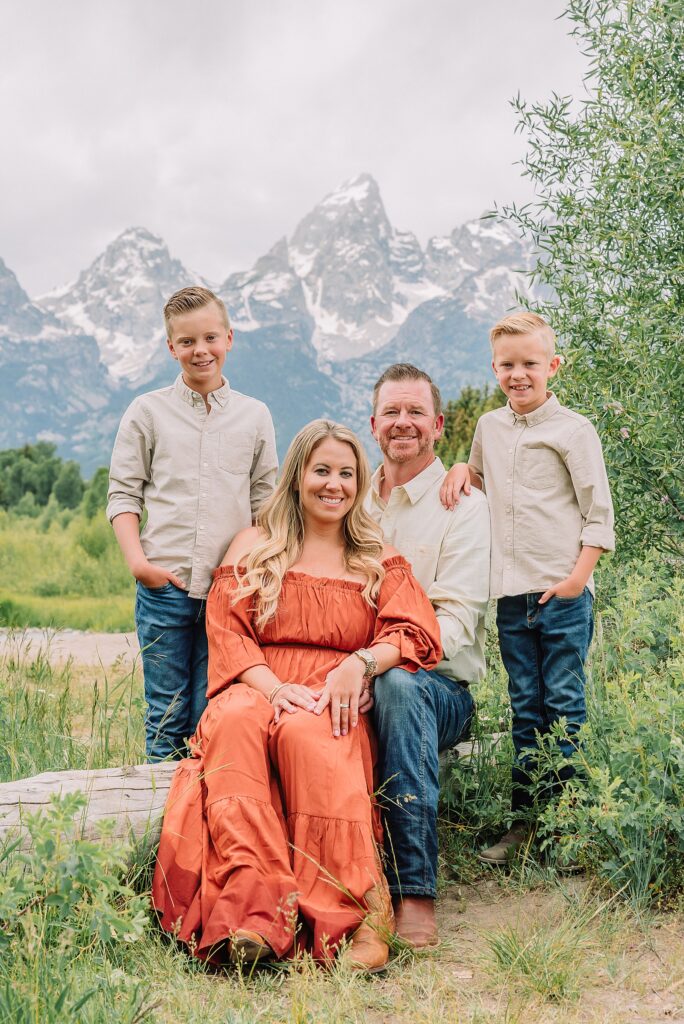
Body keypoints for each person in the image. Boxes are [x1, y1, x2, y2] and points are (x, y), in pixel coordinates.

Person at [151, 420, 443, 970]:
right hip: (258, 680)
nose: (334, 484)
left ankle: (355, 912)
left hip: (331, 692)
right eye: (321, 470)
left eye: (346, 474)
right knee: (236, 722)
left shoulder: (374, 554)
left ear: (359, 483)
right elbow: (227, 631)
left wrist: (359, 666)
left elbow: (413, 630)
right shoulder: (255, 544)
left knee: (313, 737)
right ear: (297, 476)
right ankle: (251, 914)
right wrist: (274, 688)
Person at [443, 311, 615, 865]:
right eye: (507, 365)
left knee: (563, 706)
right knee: (525, 709)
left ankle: (568, 829)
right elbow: (479, 477)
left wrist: (575, 581)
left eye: (530, 364)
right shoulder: (489, 427)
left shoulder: (573, 431)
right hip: (512, 597)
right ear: (494, 368)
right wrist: (459, 469)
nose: (518, 375)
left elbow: (598, 514)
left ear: (552, 366)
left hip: (562, 594)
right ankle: (526, 823)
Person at [107, 286, 277, 762]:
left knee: (213, 710)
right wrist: (140, 565)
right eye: (187, 342)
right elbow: (123, 494)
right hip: (164, 588)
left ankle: (204, 802)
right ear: (171, 347)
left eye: (209, 338)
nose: (200, 350)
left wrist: (258, 573)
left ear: (229, 338)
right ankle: (158, 806)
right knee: (165, 714)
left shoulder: (254, 415)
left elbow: (265, 504)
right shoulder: (147, 412)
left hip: (229, 591)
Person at [366, 364, 491, 948]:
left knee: (399, 688)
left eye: (416, 412)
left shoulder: (462, 507)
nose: (403, 423)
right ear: (372, 423)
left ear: (438, 425)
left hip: (437, 690)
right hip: (354, 672)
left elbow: (455, 628)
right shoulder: (348, 500)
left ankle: (413, 888)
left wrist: (375, 661)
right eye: (391, 411)